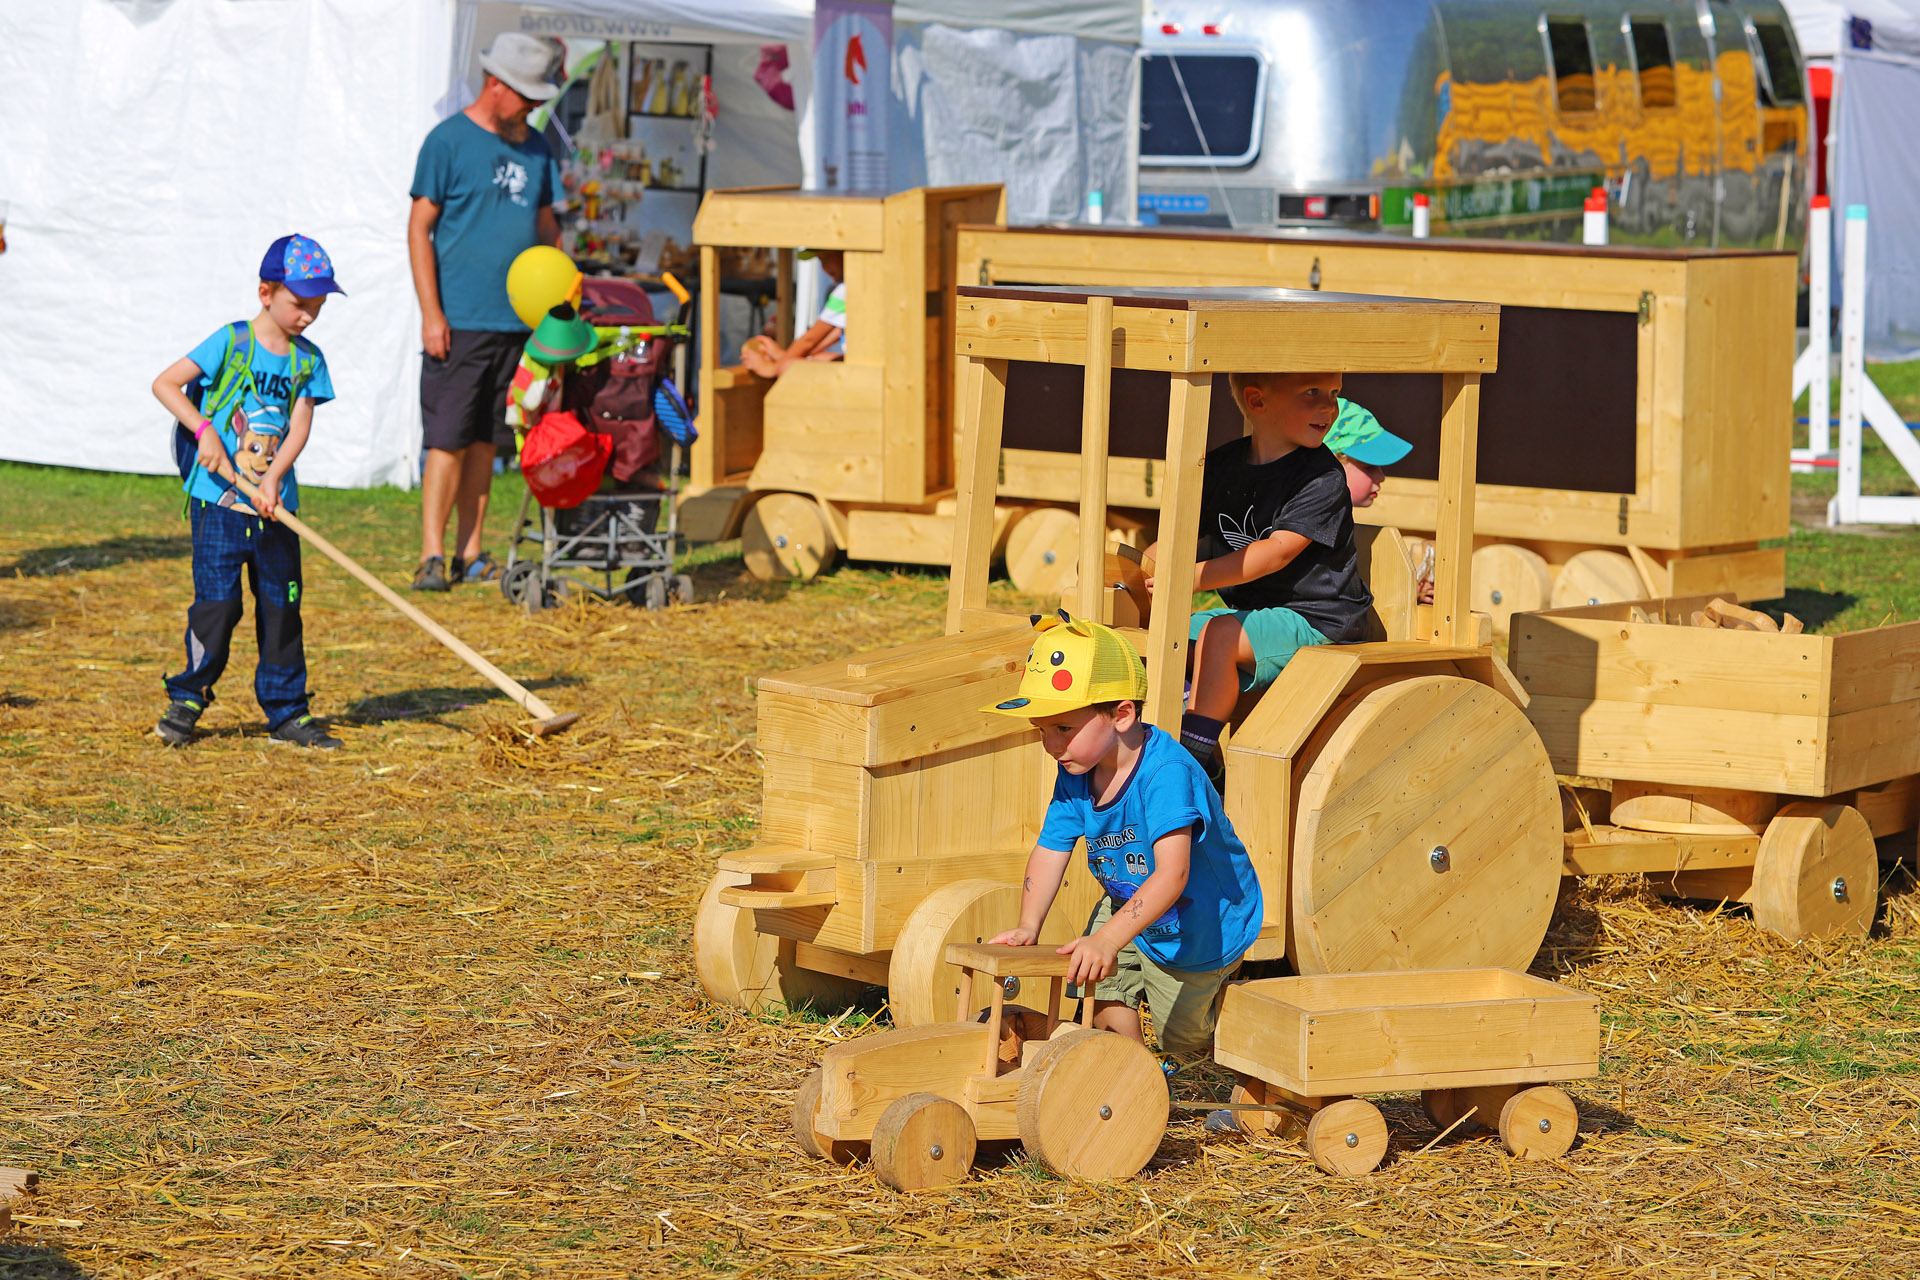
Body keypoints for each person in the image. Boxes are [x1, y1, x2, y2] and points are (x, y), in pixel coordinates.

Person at [982, 613, 1262, 1062]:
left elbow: (1173, 875)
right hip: (1127, 904)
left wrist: (1109, 940)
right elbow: (1051, 848)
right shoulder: (1077, 770)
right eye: (1042, 730)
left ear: (1122, 715)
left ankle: (1243, 1030)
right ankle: (1134, 1078)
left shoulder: (1165, 774)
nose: (1051, 744)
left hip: (1200, 924)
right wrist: (1028, 925)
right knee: (1097, 991)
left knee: (1182, 1041)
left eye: (1063, 728)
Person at [151, 235, 345, 749]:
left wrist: (275, 477)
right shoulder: (232, 341)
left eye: (318, 306)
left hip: (276, 508)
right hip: (218, 502)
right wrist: (204, 430)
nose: (308, 316)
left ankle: (287, 712)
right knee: (218, 606)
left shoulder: (308, 359)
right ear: (266, 293)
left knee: (282, 607)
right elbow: (166, 384)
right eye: (299, 304)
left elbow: (299, 426)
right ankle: (188, 698)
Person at [1146, 372, 1373, 783]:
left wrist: (1188, 578)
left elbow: (1276, 552)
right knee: (1168, 636)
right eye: (1312, 392)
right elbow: (1183, 534)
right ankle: (1188, 733)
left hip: (1320, 621)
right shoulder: (1222, 466)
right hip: (1255, 615)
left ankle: (1193, 763)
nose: (1329, 405)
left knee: (1218, 634)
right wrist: (1142, 565)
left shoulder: (1321, 477)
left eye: (1334, 393)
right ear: (1257, 401)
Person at [409, 32, 565, 591]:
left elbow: (547, 227)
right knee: (447, 438)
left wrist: (560, 299)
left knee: (486, 442)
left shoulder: (537, 148)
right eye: (526, 97)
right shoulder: (447, 142)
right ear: (495, 84)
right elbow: (419, 229)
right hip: (460, 320)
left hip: (517, 324)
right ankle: (431, 554)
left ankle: (469, 553)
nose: (533, 109)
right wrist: (432, 313)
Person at [1324, 397, 1433, 603]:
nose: (1381, 477)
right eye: (1369, 467)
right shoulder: (1314, 525)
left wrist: (1411, 591)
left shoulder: (1335, 521)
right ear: (1331, 462)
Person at [740, 249, 845, 379]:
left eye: (826, 257)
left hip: (861, 372)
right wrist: (784, 356)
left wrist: (773, 369)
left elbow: (810, 340)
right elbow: (833, 335)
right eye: (820, 260)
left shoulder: (844, 291)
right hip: (863, 367)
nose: (824, 267)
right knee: (814, 358)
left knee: (787, 367)